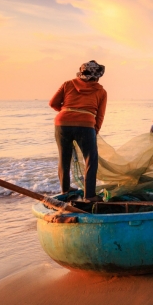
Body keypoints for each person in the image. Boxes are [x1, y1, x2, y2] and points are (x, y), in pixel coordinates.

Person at [49, 60, 107, 202]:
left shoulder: (68, 84)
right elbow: (100, 115)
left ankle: (65, 189)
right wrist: (95, 131)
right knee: (90, 159)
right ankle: (90, 195)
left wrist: (66, 112)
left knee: (64, 157)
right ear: (97, 76)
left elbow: (52, 103)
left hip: (62, 123)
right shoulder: (101, 91)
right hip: (86, 125)